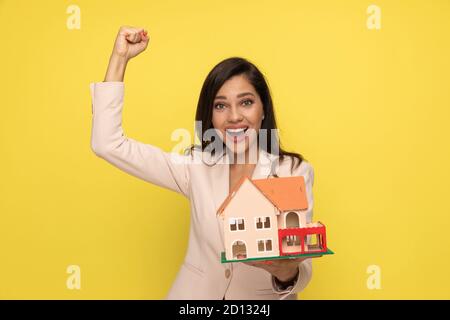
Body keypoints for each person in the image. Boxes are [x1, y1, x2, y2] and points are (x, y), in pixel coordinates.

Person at [90, 25, 317, 300]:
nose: (234, 116)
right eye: (220, 106)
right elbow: (107, 143)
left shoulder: (293, 172)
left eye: (246, 102)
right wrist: (120, 57)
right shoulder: (196, 167)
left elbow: (302, 269)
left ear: (263, 109)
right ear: (210, 117)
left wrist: (285, 273)